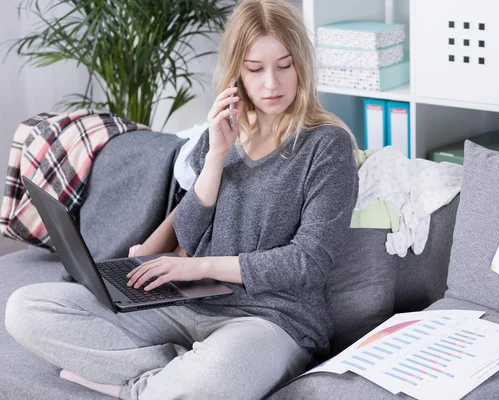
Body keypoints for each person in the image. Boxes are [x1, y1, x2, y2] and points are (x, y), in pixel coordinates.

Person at [4, 0, 359, 399]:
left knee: (212, 383)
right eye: (255, 69)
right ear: (236, 72)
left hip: (272, 319)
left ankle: (132, 385)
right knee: (26, 308)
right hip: (188, 305)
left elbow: (308, 262)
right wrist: (216, 159)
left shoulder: (327, 145)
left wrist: (196, 268)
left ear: (302, 65)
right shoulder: (221, 131)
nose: (271, 84)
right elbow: (187, 234)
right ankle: (170, 373)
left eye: (284, 65)